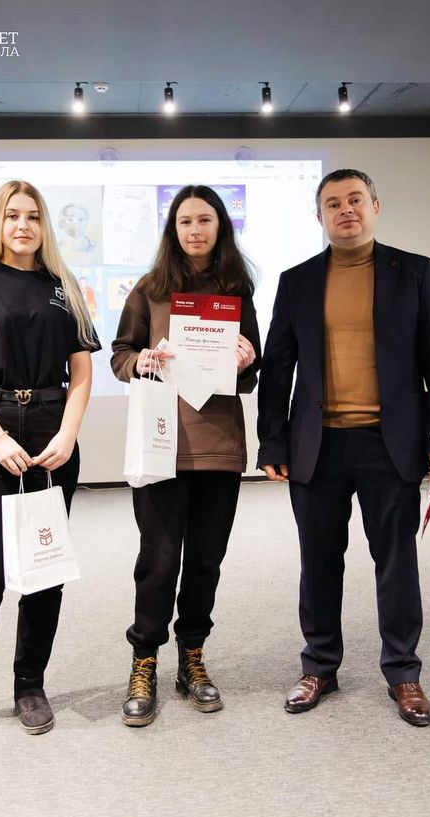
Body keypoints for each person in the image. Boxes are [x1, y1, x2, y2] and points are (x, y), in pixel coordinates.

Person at [257, 169, 430, 726]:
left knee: (395, 562)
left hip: (389, 444)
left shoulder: (414, 272)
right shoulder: (298, 280)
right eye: (333, 203)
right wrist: (272, 440)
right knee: (319, 562)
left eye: (355, 199)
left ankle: (403, 672)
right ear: (319, 216)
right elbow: (277, 369)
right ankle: (320, 666)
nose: (345, 209)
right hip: (316, 445)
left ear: (375, 206)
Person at [0, 180, 101, 750]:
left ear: (43, 224)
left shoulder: (64, 286)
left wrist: (68, 434)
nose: (23, 225)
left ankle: (30, 684)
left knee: (44, 569)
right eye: (12, 215)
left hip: (52, 432)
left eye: (32, 216)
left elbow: (82, 372)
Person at [111, 184, 261, 726]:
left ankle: (191, 657)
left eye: (205, 220)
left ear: (221, 226)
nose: (195, 230)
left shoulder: (236, 290)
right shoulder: (150, 289)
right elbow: (120, 356)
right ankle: (144, 661)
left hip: (218, 448)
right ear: (172, 230)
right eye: (185, 221)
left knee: (204, 562)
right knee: (158, 562)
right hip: (160, 445)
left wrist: (247, 361)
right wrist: (142, 361)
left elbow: (249, 376)